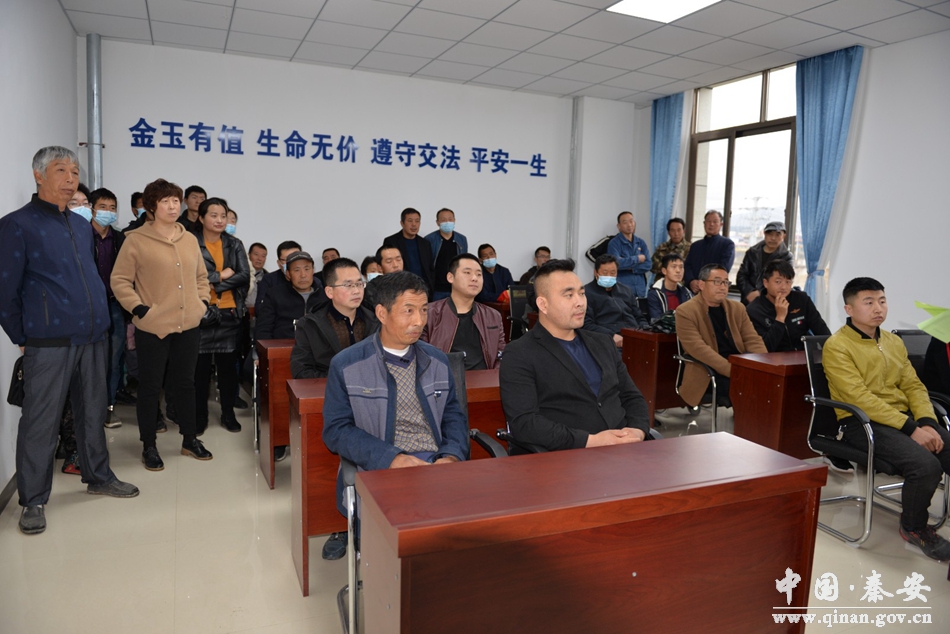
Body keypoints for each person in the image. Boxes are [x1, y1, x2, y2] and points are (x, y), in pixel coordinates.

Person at [0, 146, 139, 534]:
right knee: (40, 422)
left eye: (74, 171)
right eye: (61, 170)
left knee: (93, 411)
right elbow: (5, 290)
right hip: (49, 341)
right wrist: (22, 335)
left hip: (93, 336)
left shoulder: (80, 225)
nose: (70, 178)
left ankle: (98, 476)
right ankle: (33, 499)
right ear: (38, 175)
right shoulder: (17, 225)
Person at [322, 271, 469, 558]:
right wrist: (392, 458)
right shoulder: (347, 364)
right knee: (410, 542)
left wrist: (451, 456)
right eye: (408, 310)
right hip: (380, 466)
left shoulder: (437, 361)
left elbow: (453, 416)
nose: (419, 321)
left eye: (424, 310)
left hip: (436, 465)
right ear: (382, 313)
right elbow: (336, 430)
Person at [823, 277, 950, 561]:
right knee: (925, 465)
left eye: (882, 301)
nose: (878, 308)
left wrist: (927, 422)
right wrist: (912, 428)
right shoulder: (837, 346)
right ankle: (914, 527)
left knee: (946, 444)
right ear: (849, 309)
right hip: (861, 423)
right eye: (868, 302)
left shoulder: (893, 342)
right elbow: (859, 398)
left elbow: (914, 386)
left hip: (902, 419)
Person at [112, 178, 214, 471]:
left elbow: (201, 277)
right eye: (165, 201)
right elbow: (120, 280)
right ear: (151, 206)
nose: (172, 206)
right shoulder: (135, 240)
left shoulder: (189, 238)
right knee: (150, 387)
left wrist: (202, 303)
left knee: (186, 384)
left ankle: (189, 439)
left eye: (175, 201)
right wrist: (140, 309)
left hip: (188, 324)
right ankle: (149, 446)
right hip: (153, 326)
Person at [499, 259, 651, 452]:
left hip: (623, 449)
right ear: (543, 304)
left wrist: (637, 430)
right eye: (569, 295)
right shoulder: (520, 353)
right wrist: (591, 441)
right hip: (567, 456)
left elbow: (631, 396)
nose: (580, 302)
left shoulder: (603, 343)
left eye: (582, 293)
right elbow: (525, 423)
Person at [194, 197, 250, 434]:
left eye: (223, 216)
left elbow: (244, 275)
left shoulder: (234, 243)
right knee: (199, 372)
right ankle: (200, 416)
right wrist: (220, 276)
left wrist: (214, 284)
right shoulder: (191, 242)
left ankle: (228, 414)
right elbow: (189, 276)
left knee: (228, 371)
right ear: (201, 218)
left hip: (229, 312)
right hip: (200, 313)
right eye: (213, 215)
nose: (219, 220)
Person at [674, 263, 766, 407]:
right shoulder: (685, 311)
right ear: (701, 284)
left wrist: (764, 365)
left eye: (725, 282)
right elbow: (699, 349)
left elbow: (752, 339)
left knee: (771, 383)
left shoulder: (737, 308)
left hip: (738, 365)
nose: (723, 287)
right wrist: (734, 371)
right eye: (717, 282)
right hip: (707, 372)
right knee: (748, 386)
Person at [292, 257, 380, 379]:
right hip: (328, 388)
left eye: (359, 284)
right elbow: (301, 371)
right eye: (348, 285)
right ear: (329, 292)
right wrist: (341, 381)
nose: (356, 291)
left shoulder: (377, 320)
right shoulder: (310, 325)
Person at [422, 253, 506, 369]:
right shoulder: (429, 313)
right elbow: (422, 356)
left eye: (479, 274)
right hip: (445, 378)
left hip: (485, 378)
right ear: (450, 277)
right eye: (467, 273)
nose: (474, 278)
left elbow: (500, 356)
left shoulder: (493, 316)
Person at [88, 187, 128, 429]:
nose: (108, 212)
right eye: (103, 207)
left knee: (114, 360)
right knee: (89, 360)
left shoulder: (121, 239)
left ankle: (109, 407)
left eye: (112, 208)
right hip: (89, 308)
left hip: (114, 306)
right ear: (92, 209)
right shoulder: (82, 235)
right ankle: (89, 408)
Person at [747, 260, 830, 352]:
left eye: (788, 282)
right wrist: (780, 318)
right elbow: (765, 348)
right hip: (772, 359)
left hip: (802, 356)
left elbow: (823, 333)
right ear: (766, 283)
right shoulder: (754, 310)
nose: (784, 287)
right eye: (778, 282)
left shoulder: (802, 300)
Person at [256, 251, 327, 339]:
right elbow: (263, 330)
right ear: (288, 274)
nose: (303, 275)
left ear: (313, 270)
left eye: (307, 269)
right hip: (283, 345)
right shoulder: (274, 295)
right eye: (297, 270)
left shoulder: (325, 296)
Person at [583, 254, 649, 347]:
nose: (609, 276)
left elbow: (639, 317)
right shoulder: (586, 293)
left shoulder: (626, 290)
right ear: (596, 273)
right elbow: (586, 324)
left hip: (634, 336)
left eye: (613, 273)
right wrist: (611, 336)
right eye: (605, 273)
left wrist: (645, 330)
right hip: (608, 341)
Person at [736, 220, 793, 305]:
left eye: (777, 235)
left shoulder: (786, 257)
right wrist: (749, 292)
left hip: (771, 302)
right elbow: (741, 275)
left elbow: (785, 281)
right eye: (770, 234)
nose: (773, 238)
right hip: (748, 301)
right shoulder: (752, 252)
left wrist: (762, 296)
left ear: (784, 236)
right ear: (764, 234)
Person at [383, 207, 434, 292]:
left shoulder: (425, 243)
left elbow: (430, 268)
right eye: (410, 221)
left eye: (417, 221)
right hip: (400, 288)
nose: (414, 224)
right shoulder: (391, 241)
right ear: (402, 223)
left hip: (423, 288)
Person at [683, 211, 735, 294]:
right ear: (704, 223)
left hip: (714, 290)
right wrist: (691, 281)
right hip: (693, 290)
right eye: (708, 221)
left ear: (721, 224)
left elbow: (724, 268)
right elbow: (687, 265)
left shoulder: (727, 245)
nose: (711, 224)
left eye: (715, 221)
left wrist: (705, 283)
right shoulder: (695, 245)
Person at [424, 208, 468, 300]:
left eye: (450, 219)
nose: (447, 222)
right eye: (443, 220)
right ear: (437, 222)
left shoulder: (461, 239)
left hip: (456, 287)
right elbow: (426, 265)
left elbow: (464, 262)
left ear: (454, 220)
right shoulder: (429, 239)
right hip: (436, 289)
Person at [607, 211, 651, 297]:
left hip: (640, 289)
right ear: (619, 226)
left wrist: (630, 267)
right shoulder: (614, 243)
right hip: (622, 290)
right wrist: (637, 259)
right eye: (625, 222)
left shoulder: (640, 242)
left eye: (631, 221)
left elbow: (648, 265)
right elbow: (616, 264)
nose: (629, 225)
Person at [254, 240, 302, 316]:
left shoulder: (312, 280)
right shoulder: (269, 280)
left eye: (295, 258)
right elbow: (260, 309)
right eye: (287, 259)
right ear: (279, 263)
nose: (292, 262)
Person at [646, 253, 693, 321]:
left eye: (681, 267)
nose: (678, 271)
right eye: (674, 267)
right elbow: (656, 320)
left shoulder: (686, 293)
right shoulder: (655, 294)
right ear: (664, 271)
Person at [363, 245, 403, 310]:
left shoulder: (412, 282)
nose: (395, 265)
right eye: (389, 261)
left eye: (398, 259)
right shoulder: (373, 288)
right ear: (380, 267)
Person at [246, 242, 268, 309]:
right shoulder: (240, 275)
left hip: (261, 312)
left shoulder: (268, 278)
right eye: (256, 254)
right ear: (249, 255)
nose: (259, 259)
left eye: (263, 256)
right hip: (241, 312)